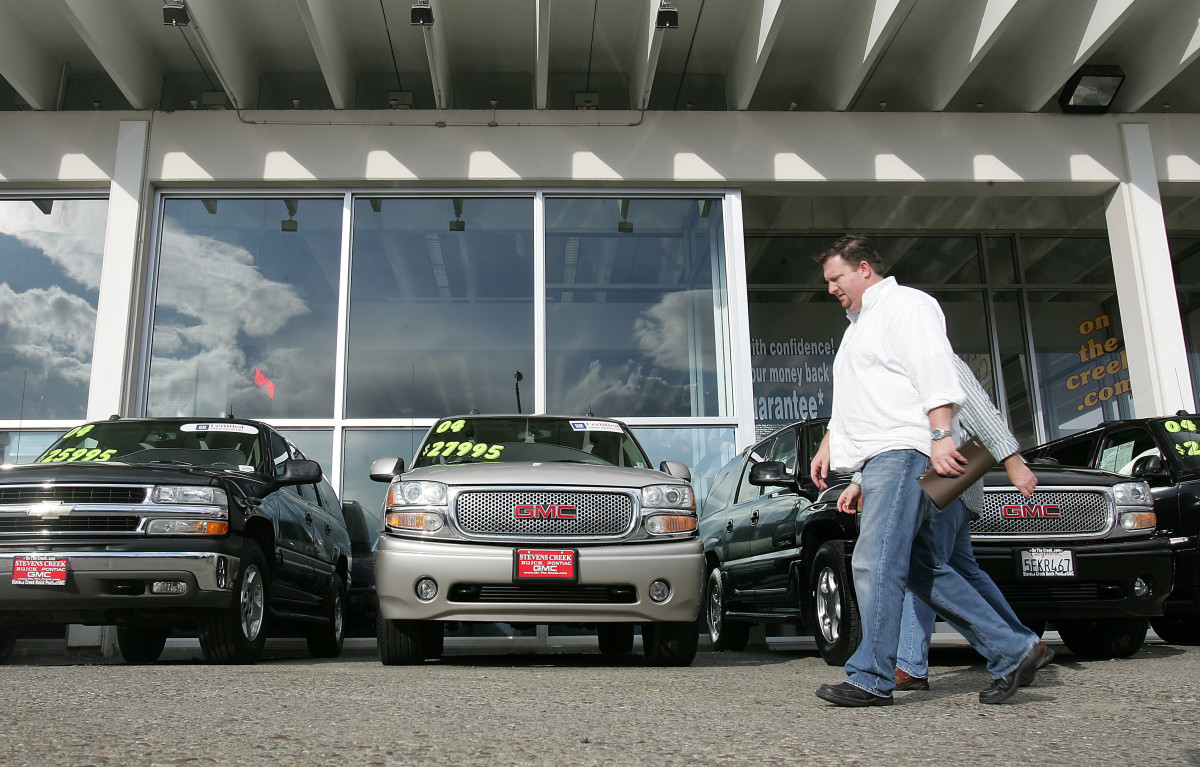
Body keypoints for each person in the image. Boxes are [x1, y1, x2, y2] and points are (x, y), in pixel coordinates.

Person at [810, 235, 1043, 707]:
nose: (831, 288)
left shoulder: (906, 306)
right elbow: (859, 400)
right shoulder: (859, 326)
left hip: (902, 451)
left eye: (836, 278)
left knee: (873, 561)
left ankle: (871, 677)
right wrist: (829, 445)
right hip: (880, 456)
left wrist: (941, 436)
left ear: (864, 269)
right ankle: (1014, 649)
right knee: (920, 568)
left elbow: (939, 374)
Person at [839, 355, 1053, 692]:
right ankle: (1023, 645)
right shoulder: (895, 359)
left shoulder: (930, 351)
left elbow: (980, 410)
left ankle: (910, 662)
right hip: (948, 482)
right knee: (964, 573)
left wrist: (1013, 461)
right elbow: (890, 432)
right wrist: (858, 481)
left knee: (920, 566)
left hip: (942, 479)